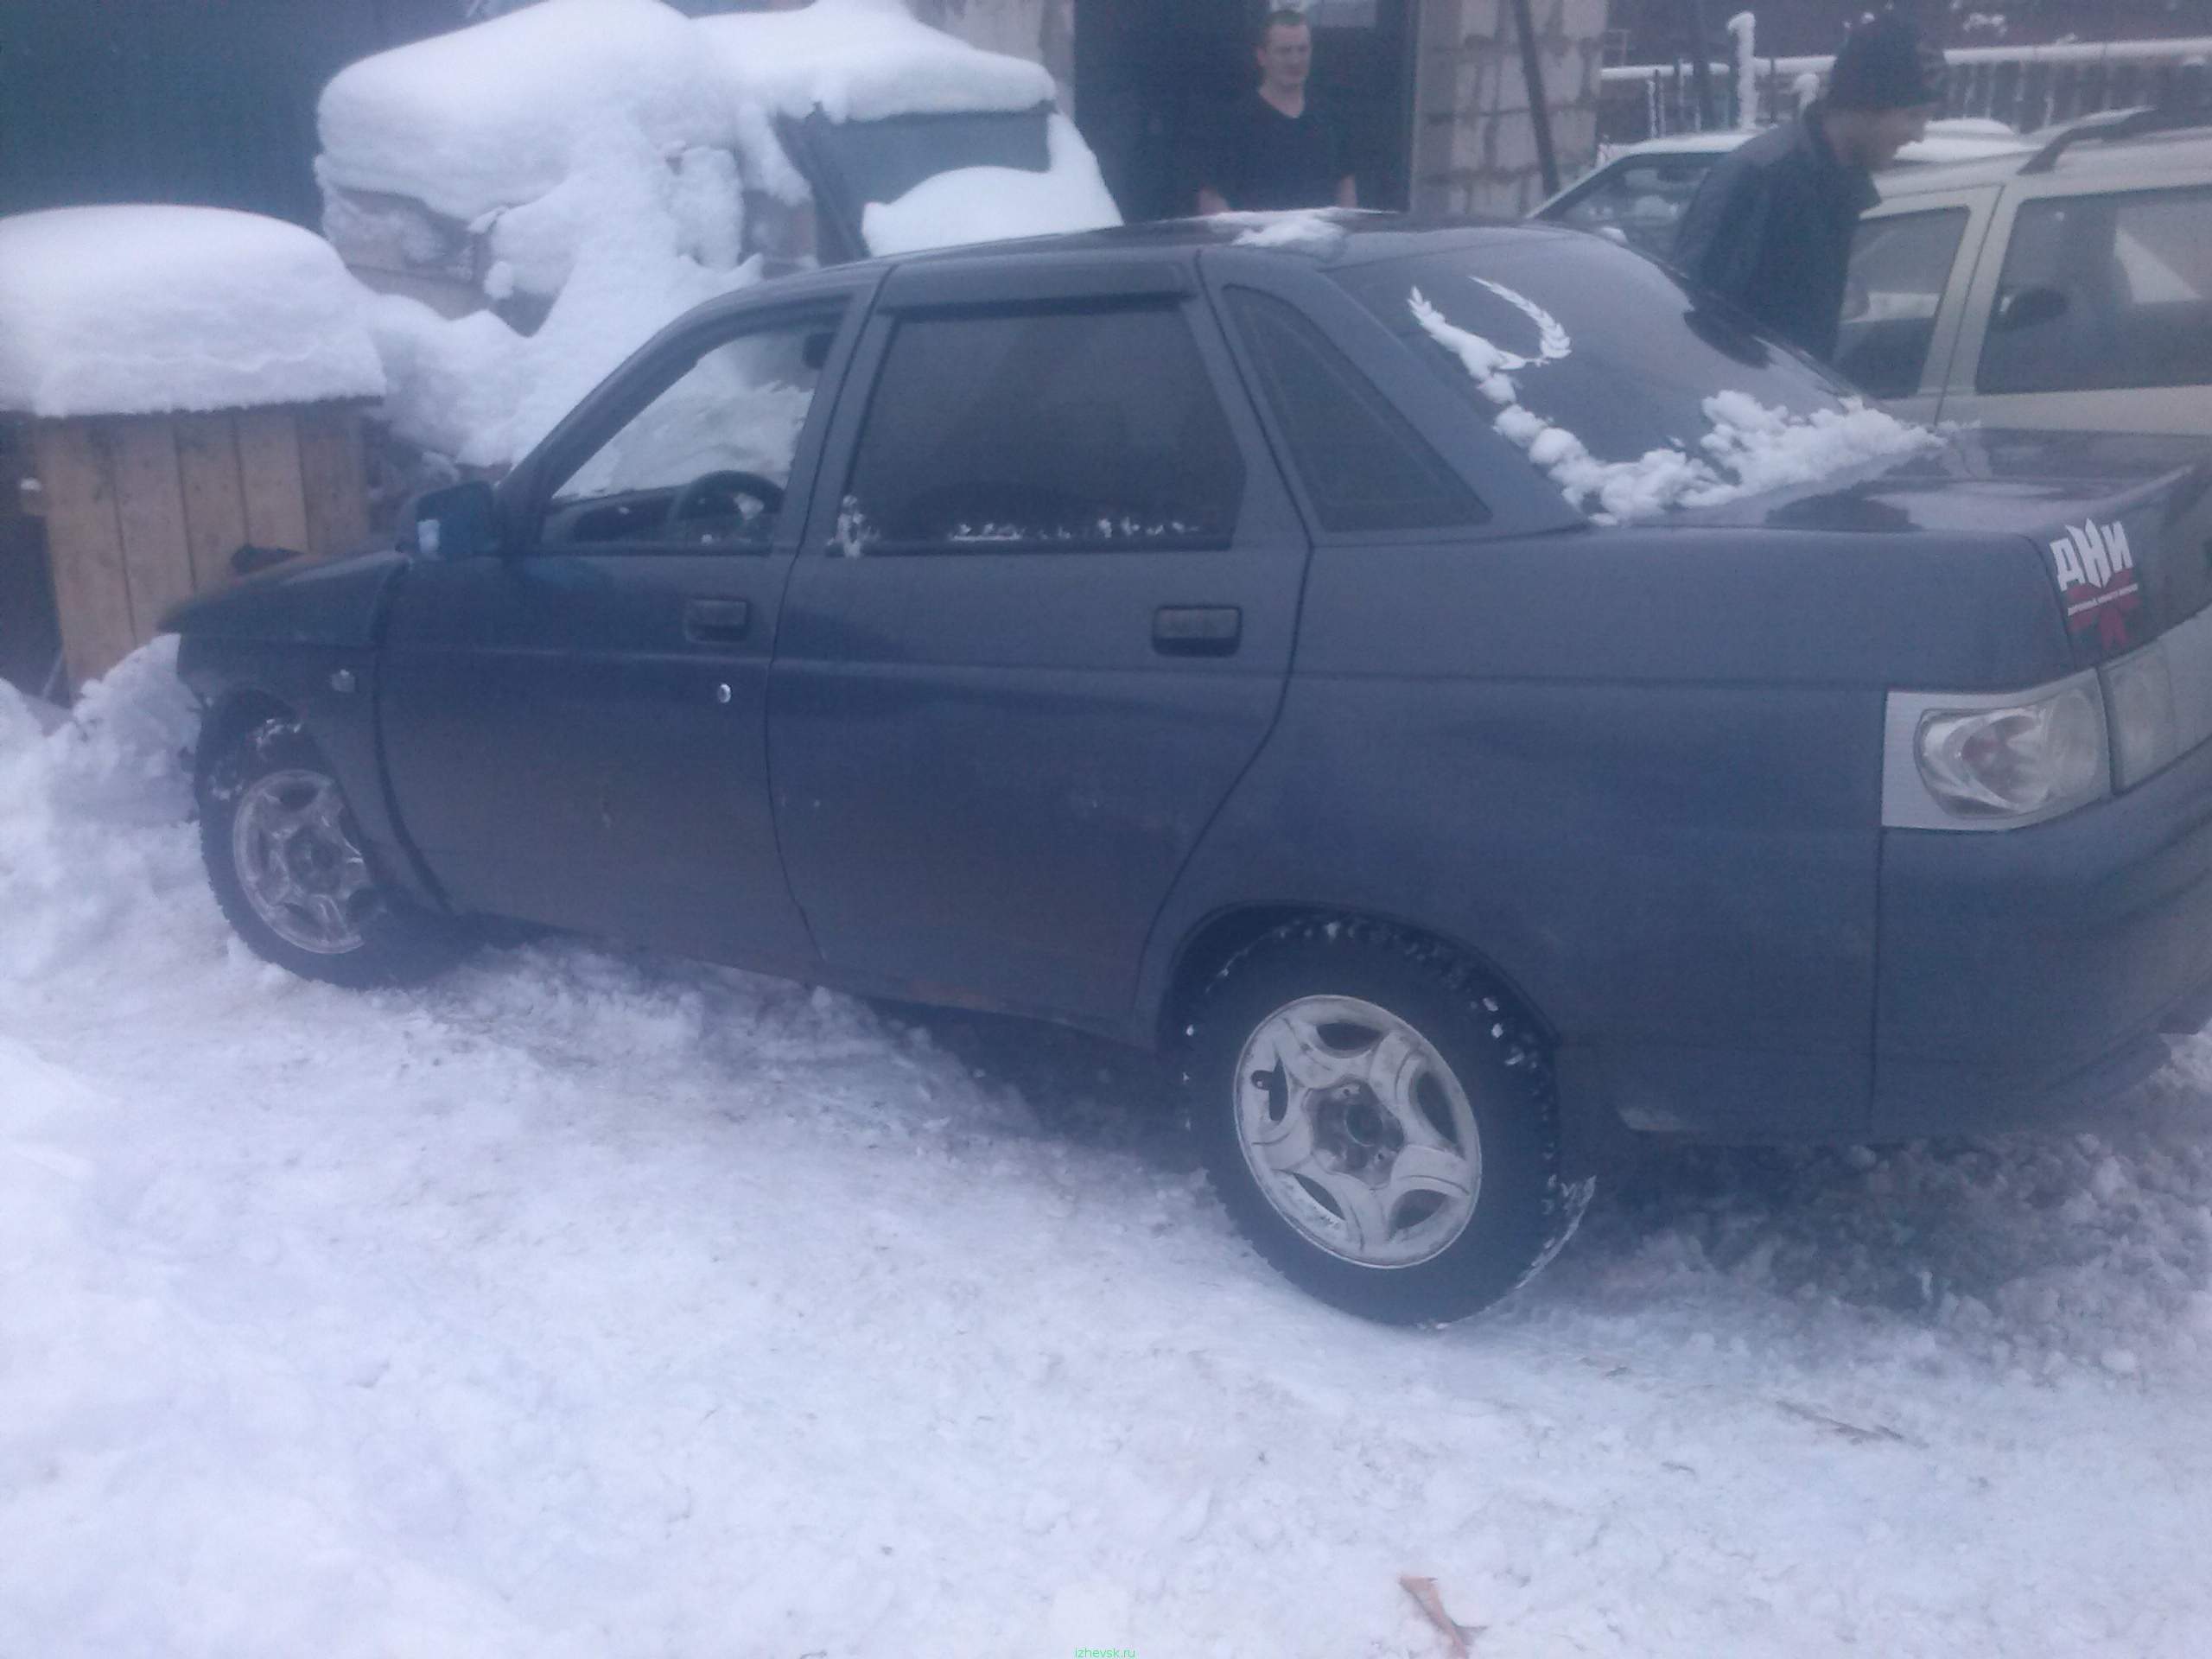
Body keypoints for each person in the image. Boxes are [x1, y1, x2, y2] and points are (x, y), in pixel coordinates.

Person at [1672, 11, 1948, 363]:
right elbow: (1690, 317)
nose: (1919, 135)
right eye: (1913, 115)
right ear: (1870, 103)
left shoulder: (1839, 185)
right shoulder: (1761, 178)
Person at [1197, 9, 1357, 215]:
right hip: (1255, 237)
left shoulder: (1331, 118)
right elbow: (1211, 199)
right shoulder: (1233, 123)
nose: (1295, 61)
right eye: (1284, 51)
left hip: (1322, 236)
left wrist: (1347, 228)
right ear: (1262, 57)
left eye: (1302, 50)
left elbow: (1345, 185)